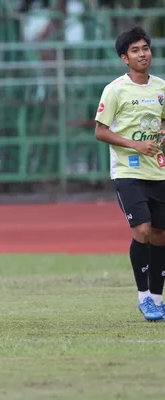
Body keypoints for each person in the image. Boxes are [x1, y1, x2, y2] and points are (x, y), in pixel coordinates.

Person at [94, 27, 165, 321]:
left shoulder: (161, 87)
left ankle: (158, 299)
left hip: (159, 172)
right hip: (127, 171)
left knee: (161, 235)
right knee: (143, 231)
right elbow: (100, 131)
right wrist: (135, 144)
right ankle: (143, 297)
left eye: (145, 48)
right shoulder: (115, 90)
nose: (142, 54)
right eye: (135, 50)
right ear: (125, 58)